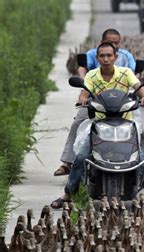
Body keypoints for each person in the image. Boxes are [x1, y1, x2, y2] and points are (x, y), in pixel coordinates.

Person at [50, 42, 144, 209]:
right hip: (99, 122)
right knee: (81, 156)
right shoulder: (91, 76)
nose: (106, 59)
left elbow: (138, 87)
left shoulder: (126, 73)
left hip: (125, 122)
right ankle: (68, 194)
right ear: (98, 58)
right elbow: (84, 93)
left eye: (109, 55)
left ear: (115, 57)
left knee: (140, 158)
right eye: (102, 56)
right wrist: (83, 99)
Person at [53, 29, 136, 177]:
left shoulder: (126, 57)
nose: (106, 58)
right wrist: (84, 91)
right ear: (102, 43)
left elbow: (135, 76)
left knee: (138, 131)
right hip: (96, 101)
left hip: (121, 103)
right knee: (78, 122)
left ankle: (140, 169)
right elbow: (83, 69)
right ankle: (67, 162)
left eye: (116, 43)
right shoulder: (92, 56)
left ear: (115, 55)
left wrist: (142, 95)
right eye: (110, 42)